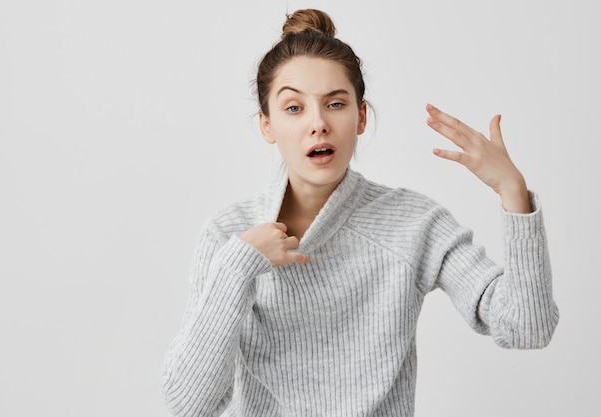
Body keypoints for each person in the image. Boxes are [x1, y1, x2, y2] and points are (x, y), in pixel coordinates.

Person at [161, 8, 559, 417]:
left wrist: (513, 192)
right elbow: (189, 405)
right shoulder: (229, 235)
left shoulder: (414, 223)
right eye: (294, 108)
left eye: (335, 103)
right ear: (267, 126)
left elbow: (526, 328)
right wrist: (238, 266)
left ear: (361, 116)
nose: (318, 123)